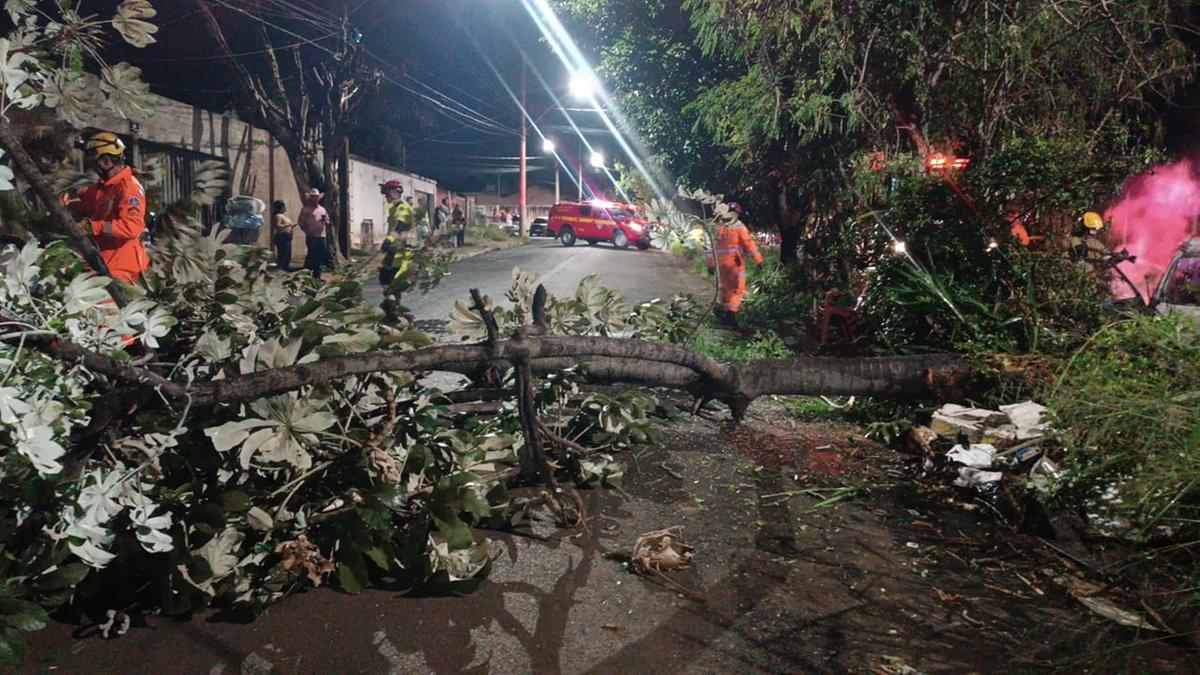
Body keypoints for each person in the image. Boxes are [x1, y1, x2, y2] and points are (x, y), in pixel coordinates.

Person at [65, 130, 149, 284]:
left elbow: (132, 227)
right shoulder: (104, 188)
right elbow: (81, 201)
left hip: (122, 271)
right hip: (102, 264)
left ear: (106, 161)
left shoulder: (129, 189)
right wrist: (65, 202)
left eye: (93, 163)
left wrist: (93, 227)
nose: (91, 168)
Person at [710, 202, 764, 327]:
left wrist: (710, 264)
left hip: (720, 264)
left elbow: (709, 246)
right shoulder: (739, 227)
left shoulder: (717, 227)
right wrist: (759, 260)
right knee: (737, 288)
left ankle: (724, 313)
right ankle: (731, 315)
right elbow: (749, 245)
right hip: (735, 264)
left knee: (725, 287)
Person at [378, 180, 416, 285]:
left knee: (392, 277)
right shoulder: (394, 208)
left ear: (394, 193)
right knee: (385, 275)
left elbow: (400, 226)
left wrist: (388, 240)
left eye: (387, 194)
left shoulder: (402, 207)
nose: (386, 197)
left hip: (403, 248)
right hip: (396, 246)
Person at [298, 188, 330, 278]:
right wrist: (306, 230)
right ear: (310, 198)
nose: (315, 199)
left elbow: (327, 220)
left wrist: (325, 220)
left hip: (322, 236)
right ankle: (307, 275)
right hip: (312, 236)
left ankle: (317, 276)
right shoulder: (306, 210)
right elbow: (301, 222)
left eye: (316, 197)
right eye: (313, 197)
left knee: (320, 255)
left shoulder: (322, 209)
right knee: (312, 255)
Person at [271, 200, 295, 271]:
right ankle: (280, 269)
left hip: (287, 236)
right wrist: (288, 225)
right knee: (282, 255)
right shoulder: (278, 216)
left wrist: (291, 227)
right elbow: (278, 225)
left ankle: (285, 269)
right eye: (284, 206)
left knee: (287, 255)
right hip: (282, 237)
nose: (285, 208)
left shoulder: (284, 216)